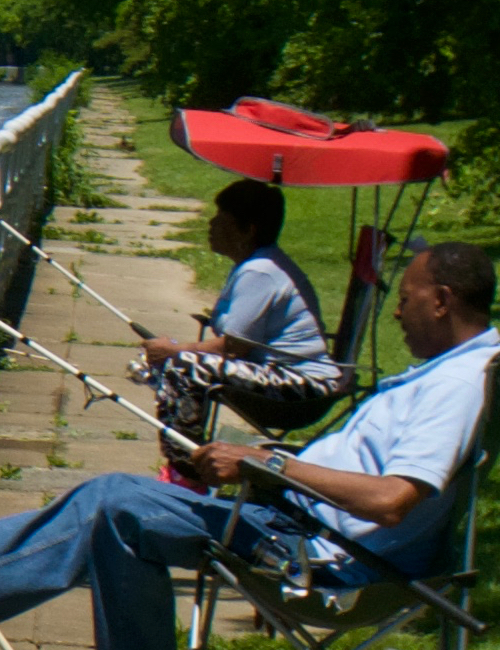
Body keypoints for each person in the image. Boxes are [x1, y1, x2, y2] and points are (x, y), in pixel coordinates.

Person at [0, 243, 500, 650]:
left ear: (442, 300)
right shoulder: (454, 371)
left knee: (115, 504)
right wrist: (265, 467)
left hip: (326, 557)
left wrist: (266, 462)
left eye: (407, 298)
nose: (396, 311)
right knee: (116, 510)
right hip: (296, 521)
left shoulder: (456, 386)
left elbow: (392, 500)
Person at [142, 178, 351, 456]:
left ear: (248, 230)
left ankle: (185, 463)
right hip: (281, 376)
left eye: (222, 218)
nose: (211, 224)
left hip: (301, 386)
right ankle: (189, 458)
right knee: (181, 362)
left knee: (183, 365)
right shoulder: (256, 264)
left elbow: (234, 347)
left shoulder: (260, 272)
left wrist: (175, 350)